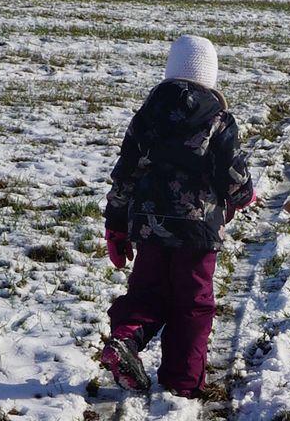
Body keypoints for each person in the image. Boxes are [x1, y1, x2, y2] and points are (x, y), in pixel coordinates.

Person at [98, 33, 255, 397]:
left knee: (147, 294)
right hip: (198, 232)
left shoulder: (146, 117)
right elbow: (233, 175)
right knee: (193, 305)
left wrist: (116, 227)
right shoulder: (218, 119)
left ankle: (126, 339)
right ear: (209, 77)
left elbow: (125, 174)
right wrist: (244, 195)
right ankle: (182, 381)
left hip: (149, 225)